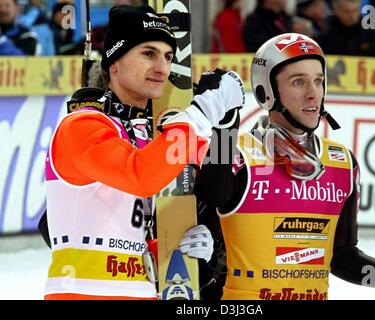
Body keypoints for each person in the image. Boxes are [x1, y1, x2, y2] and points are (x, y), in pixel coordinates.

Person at [195, 33, 375, 300]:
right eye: (298, 82)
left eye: (319, 81)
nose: (313, 93)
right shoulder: (236, 153)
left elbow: (340, 257)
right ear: (266, 91)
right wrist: (223, 128)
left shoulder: (343, 163)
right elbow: (212, 195)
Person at [44, 4, 245, 300]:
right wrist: (205, 110)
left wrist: (227, 125)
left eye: (167, 57)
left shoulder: (146, 136)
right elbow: (140, 175)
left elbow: (218, 182)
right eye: (148, 53)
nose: (162, 68)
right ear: (114, 62)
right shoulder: (82, 126)